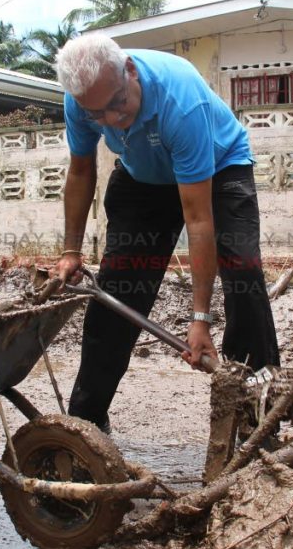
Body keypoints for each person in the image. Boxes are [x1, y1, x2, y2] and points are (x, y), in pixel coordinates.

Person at [53, 34, 280, 433]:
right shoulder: (81, 101)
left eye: (118, 104)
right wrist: (70, 250)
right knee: (118, 286)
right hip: (143, 177)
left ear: (131, 71)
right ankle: (86, 421)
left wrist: (200, 319)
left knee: (242, 274)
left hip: (221, 166)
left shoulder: (180, 99)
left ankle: (255, 415)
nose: (112, 121)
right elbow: (82, 169)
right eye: (97, 114)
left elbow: (198, 220)